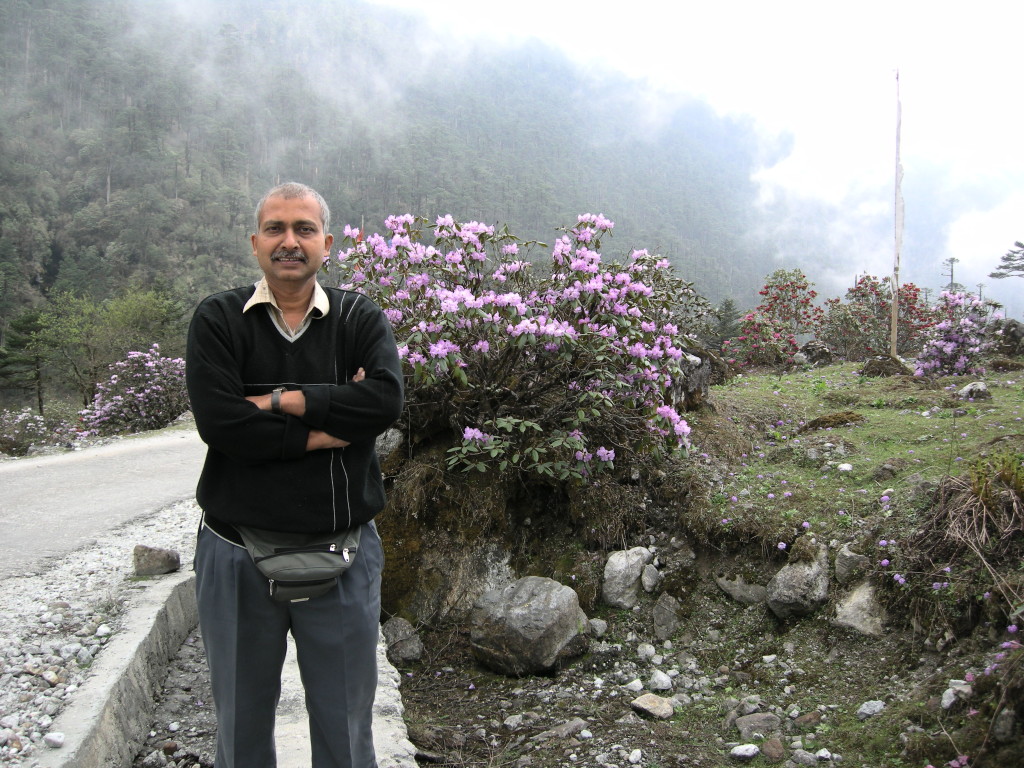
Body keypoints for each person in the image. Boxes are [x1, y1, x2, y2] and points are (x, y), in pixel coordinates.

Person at [186, 181, 404, 767]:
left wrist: (274, 401)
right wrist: (330, 420)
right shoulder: (219, 320)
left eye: (303, 229)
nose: (290, 242)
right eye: (276, 229)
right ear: (255, 243)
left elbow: (384, 401)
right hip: (235, 552)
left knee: (345, 723)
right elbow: (221, 424)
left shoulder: (358, 317)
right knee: (241, 720)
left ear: (326, 244)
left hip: (343, 550)